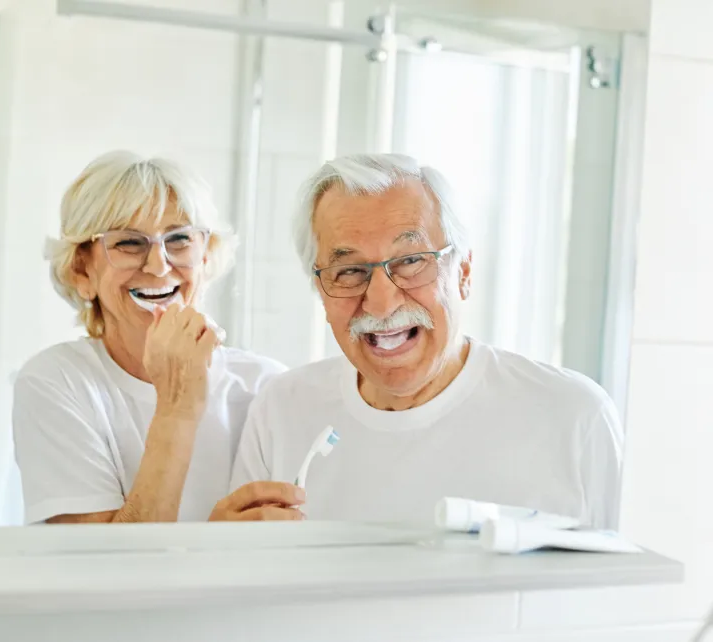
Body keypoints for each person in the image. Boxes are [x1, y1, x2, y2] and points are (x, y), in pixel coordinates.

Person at [230, 153, 623, 529]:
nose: (381, 303)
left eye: (411, 261)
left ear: (464, 272)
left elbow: (620, 594)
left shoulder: (574, 419)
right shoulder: (281, 411)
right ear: (319, 288)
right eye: (349, 270)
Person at [13, 151, 306, 524]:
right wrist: (177, 406)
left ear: (205, 258)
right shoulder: (58, 382)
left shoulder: (267, 385)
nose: (158, 265)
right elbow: (98, 571)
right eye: (128, 243)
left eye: (180, 239)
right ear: (81, 270)